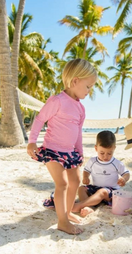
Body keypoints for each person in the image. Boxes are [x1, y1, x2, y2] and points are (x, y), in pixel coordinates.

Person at [27, 58, 97, 235]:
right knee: (62, 183)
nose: (90, 91)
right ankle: (62, 222)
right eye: (88, 86)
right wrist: (32, 142)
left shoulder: (81, 109)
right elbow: (39, 119)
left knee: (75, 181)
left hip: (70, 152)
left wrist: (79, 151)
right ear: (75, 81)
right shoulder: (57, 101)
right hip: (52, 150)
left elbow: (78, 131)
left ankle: (66, 212)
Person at [71, 130, 130, 216]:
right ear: (96, 148)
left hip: (110, 192)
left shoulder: (116, 163)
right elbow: (86, 170)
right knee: (81, 189)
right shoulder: (92, 161)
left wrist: (124, 179)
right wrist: (85, 177)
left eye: (109, 153)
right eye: (102, 153)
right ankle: (89, 207)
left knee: (102, 192)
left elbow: (126, 173)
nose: (105, 156)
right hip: (96, 189)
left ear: (114, 148)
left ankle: (81, 205)